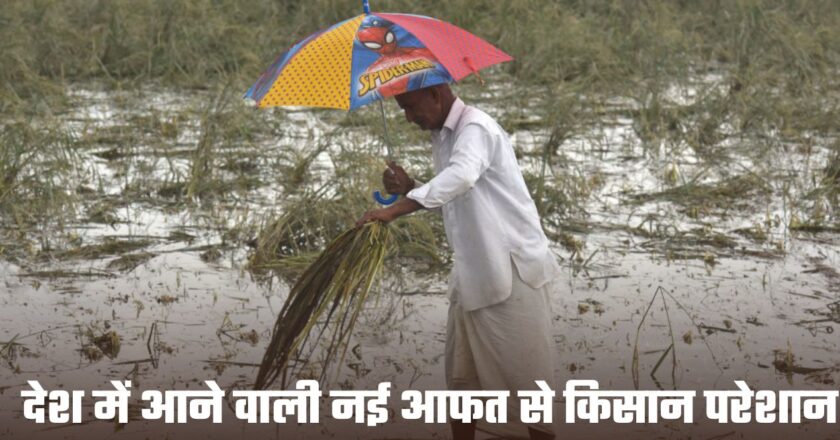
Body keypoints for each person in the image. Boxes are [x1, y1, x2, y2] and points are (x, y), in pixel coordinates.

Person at [356, 83, 560, 440]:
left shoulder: (475, 127)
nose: (407, 118)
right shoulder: (446, 136)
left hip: (513, 273)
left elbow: (462, 177)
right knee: (463, 383)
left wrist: (396, 209)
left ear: (435, 95)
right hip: (474, 273)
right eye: (401, 109)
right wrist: (410, 186)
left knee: (530, 391)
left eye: (410, 106)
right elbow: (461, 193)